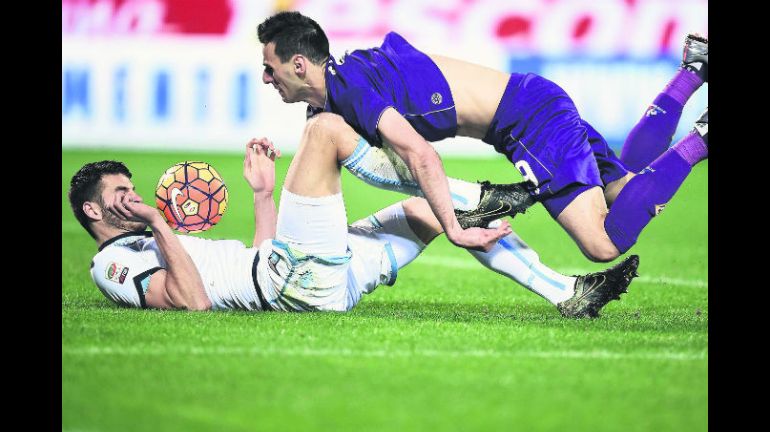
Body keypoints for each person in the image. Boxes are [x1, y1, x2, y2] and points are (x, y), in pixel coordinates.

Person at [68, 113, 638, 316]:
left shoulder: (145, 239)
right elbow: (190, 301)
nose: (132, 199)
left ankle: (568, 293)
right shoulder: (113, 264)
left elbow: (255, 261)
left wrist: (263, 196)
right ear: (93, 211)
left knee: (427, 210)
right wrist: (160, 222)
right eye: (120, 195)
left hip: (296, 275)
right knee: (324, 130)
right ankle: (482, 195)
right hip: (296, 283)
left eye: (132, 189)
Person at [256, 12, 708, 262]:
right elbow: (316, 189)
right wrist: (268, 200)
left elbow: (419, 153)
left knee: (602, 243)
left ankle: (702, 135)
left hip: (526, 120)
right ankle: (693, 69)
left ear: (299, 65)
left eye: (270, 68)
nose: (264, 78)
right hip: (529, 105)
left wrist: (453, 227)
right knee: (627, 185)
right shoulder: (329, 101)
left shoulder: (348, 89)